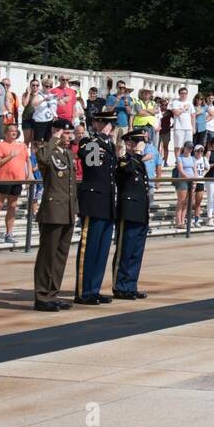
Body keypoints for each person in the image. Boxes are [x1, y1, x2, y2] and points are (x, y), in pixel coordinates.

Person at [73, 110, 119, 305]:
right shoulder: (89, 142)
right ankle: (84, 291)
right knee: (89, 247)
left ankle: (95, 289)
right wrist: (99, 137)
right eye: (107, 124)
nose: (111, 127)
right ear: (98, 124)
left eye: (113, 124)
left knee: (101, 249)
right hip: (93, 202)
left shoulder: (110, 145)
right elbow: (92, 165)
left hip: (107, 202)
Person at [32, 119, 77, 311]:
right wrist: (53, 138)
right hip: (52, 211)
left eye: (70, 133)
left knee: (60, 256)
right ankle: (42, 296)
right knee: (47, 255)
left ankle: (52, 293)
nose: (70, 137)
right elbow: (41, 159)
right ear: (57, 132)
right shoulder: (47, 150)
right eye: (66, 133)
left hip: (67, 210)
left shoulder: (66, 153)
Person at [112, 129, 152, 300]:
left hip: (140, 211)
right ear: (129, 144)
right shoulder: (124, 161)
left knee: (136, 252)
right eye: (137, 142)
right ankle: (120, 286)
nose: (140, 145)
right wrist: (136, 154)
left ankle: (130, 285)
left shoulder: (137, 162)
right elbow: (125, 171)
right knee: (125, 251)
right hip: (128, 211)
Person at [0, 122, 30, 244]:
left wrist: (29, 175)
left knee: (12, 206)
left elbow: (27, 161)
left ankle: (9, 233)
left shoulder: (22, 146)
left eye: (16, 130)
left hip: (17, 179)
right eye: (11, 130)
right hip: (2, 179)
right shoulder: (0, 145)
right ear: (6, 133)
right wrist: (10, 156)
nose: (14, 132)